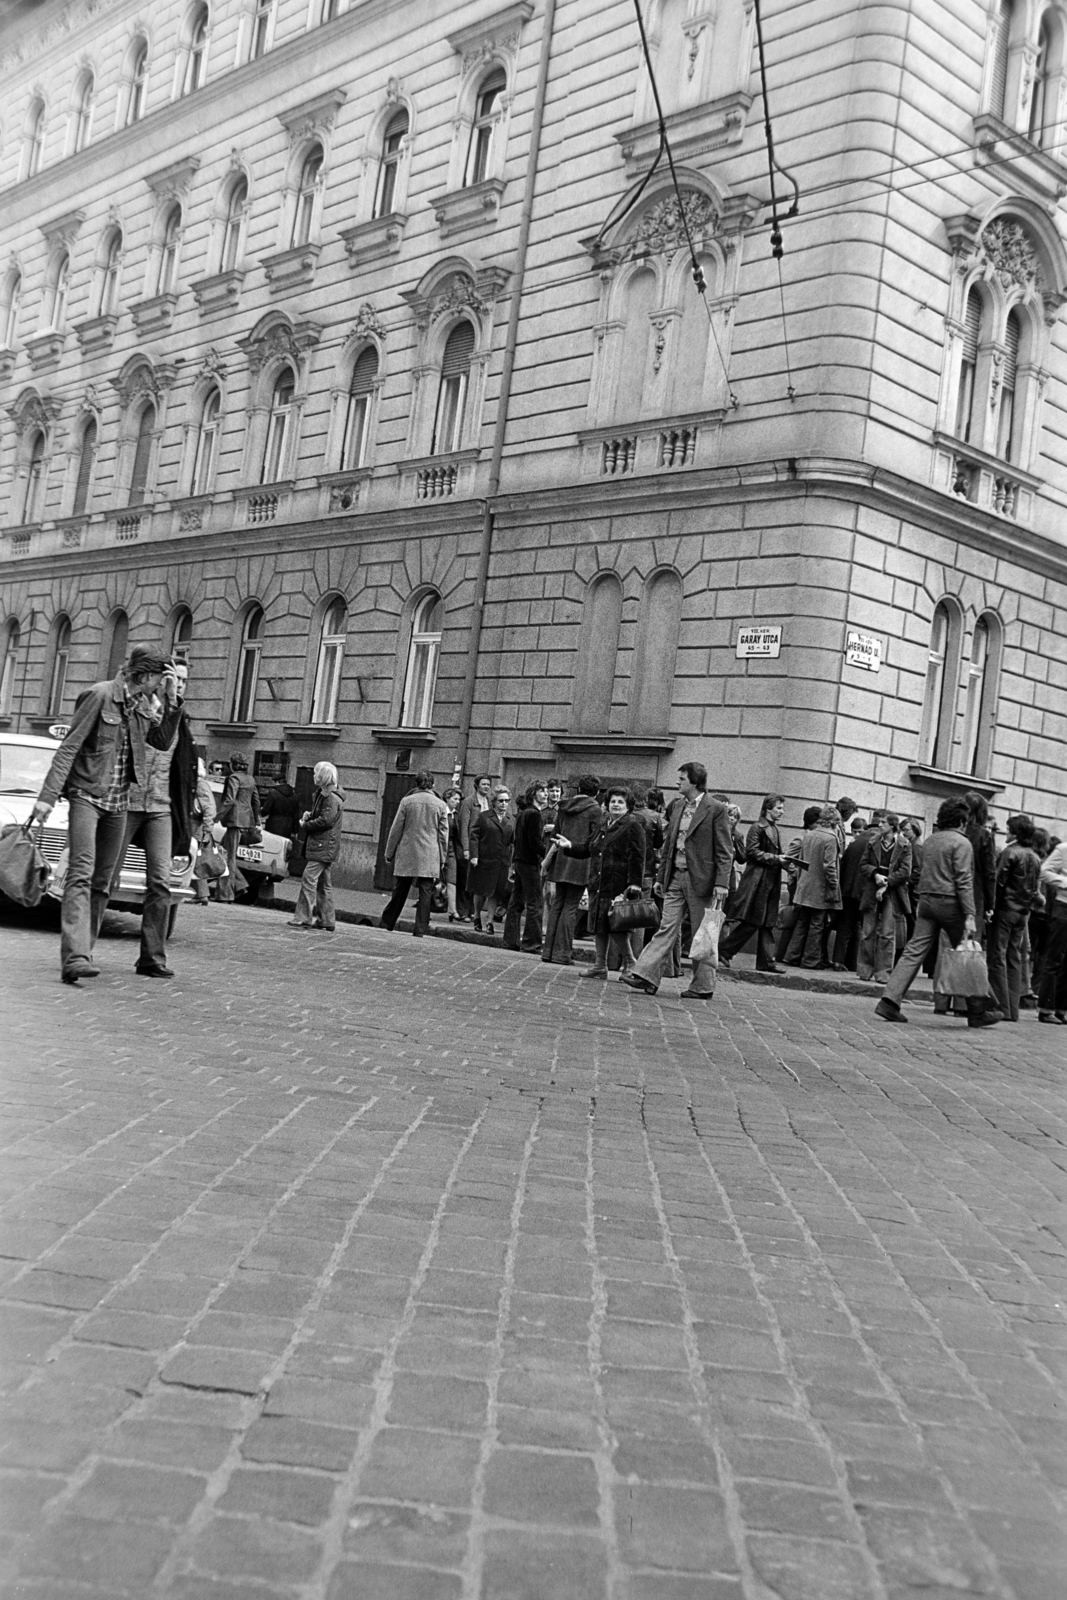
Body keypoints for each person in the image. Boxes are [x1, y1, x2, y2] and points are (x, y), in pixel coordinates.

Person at [31, 646, 167, 984]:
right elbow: (69, 747)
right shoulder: (99, 695)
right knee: (80, 873)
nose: (159, 685)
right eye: (159, 679)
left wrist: (164, 707)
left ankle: (83, 952)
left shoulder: (140, 705)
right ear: (145, 675)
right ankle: (75, 958)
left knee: (102, 883)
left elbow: (160, 741)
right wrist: (47, 797)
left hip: (119, 804)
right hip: (86, 797)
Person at [875, 796, 1001, 1027]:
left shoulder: (932, 840)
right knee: (966, 953)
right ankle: (978, 1009)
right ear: (962, 820)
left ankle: (889, 1000)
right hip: (951, 904)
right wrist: (971, 914)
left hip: (926, 901)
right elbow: (964, 880)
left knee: (914, 951)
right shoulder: (962, 843)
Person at [621, 762, 733, 1000]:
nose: (677, 782)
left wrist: (722, 883)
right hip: (675, 877)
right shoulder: (677, 806)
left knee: (702, 933)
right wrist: (662, 876)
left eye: (682, 779)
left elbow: (725, 851)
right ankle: (646, 976)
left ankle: (703, 986)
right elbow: (670, 843)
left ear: (694, 782)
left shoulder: (716, 809)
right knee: (666, 927)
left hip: (701, 880)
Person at [118, 657, 199, 978]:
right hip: (127, 802)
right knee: (106, 877)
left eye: (182, 680)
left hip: (161, 807)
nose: (177, 684)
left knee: (161, 884)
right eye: (173, 678)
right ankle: (83, 951)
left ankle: (152, 958)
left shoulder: (180, 718)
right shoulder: (138, 705)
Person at [718, 795, 789, 973]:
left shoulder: (774, 828)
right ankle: (724, 950)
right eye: (779, 808)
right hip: (758, 881)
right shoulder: (757, 827)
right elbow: (752, 852)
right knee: (755, 921)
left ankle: (766, 961)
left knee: (766, 921)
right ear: (768, 808)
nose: (782, 811)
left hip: (769, 880)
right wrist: (776, 858)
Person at [582, 787, 645, 979]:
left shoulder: (632, 824)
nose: (615, 805)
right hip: (598, 881)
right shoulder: (604, 823)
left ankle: (630, 962)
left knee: (616, 924)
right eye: (613, 801)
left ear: (628, 806)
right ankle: (600, 965)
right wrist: (568, 846)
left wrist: (634, 883)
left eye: (620, 802)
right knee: (598, 925)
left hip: (617, 882)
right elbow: (588, 848)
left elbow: (638, 855)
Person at [542, 775, 603, 965]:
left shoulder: (563, 807)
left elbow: (554, 835)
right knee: (571, 907)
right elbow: (595, 841)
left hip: (561, 860)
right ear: (598, 792)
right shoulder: (595, 810)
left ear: (578, 789)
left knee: (558, 905)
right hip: (581, 862)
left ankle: (548, 952)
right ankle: (562, 953)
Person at [381, 770, 449, 937]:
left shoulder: (407, 801)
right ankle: (420, 929)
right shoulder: (440, 805)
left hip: (408, 850)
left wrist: (389, 851)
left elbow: (396, 828)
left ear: (417, 784)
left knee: (401, 888)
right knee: (426, 891)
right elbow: (443, 834)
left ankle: (388, 921)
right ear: (433, 784)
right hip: (430, 852)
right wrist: (443, 857)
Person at [987, 814, 1041, 1022]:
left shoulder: (1010, 852)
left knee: (997, 956)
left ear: (1016, 833)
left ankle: (1001, 1006)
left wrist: (991, 907)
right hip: (1023, 912)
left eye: (1009, 829)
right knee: (1014, 957)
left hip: (1005, 909)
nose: (1006, 832)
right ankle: (1013, 1008)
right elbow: (1034, 888)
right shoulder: (1034, 856)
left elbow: (998, 882)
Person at [783, 805, 842, 970]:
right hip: (820, 887)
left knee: (803, 921)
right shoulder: (830, 838)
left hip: (805, 884)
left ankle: (792, 956)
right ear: (835, 821)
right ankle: (810, 960)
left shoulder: (809, 835)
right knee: (817, 924)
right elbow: (829, 866)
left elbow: (801, 860)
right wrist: (834, 885)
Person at [856, 813, 912, 985]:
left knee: (888, 933)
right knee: (868, 931)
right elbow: (863, 864)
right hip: (872, 889)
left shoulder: (904, 845)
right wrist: (875, 875)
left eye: (883, 823)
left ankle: (883, 973)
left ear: (893, 826)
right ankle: (864, 970)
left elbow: (905, 871)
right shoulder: (873, 842)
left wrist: (887, 882)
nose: (879, 825)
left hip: (892, 892)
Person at [287, 762, 343, 931]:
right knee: (323, 884)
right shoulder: (325, 795)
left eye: (316, 773)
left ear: (322, 777)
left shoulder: (330, 797)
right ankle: (326, 919)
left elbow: (326, 820)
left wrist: (306, 824)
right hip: (325, 845)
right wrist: (310, 815)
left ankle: (304, 917)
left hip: (322, 845)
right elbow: (324, 816)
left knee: (308, 879)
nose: (313, 776)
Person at [833, 810, 882, 970]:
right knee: (864, 928)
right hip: (865, 891)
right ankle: (856, 963)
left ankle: (838, 960)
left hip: (847, 890)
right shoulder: (878, 842)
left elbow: (844, 864)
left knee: (845, 926)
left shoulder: (856, 841)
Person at [502, 782, 546, 952]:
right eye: (542, 791)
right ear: (534, 794)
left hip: (520, 861)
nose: (546, 794)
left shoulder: (523, 813)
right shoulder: (534, 814)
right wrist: (547, 853)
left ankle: (510, 940)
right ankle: (531, 942)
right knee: (535, 903)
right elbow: (535, 842)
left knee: (516, 902)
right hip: (530, 862)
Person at [215, 752, 261, 904]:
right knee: (220, 853)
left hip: (234, 821)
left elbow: (229, 800)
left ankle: (226, 894)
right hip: (244, 821)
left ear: (232, 765)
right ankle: (240, 885)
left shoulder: (234, 778)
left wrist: (217, 817)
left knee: (227, 857)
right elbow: (256, 802)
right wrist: (256, 821)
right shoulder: (250, 779)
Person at [468, 787, 515, 935]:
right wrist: (474, 855)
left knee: (495, 892)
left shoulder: (511, 819)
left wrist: (512, 862)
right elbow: (474, 836)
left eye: (506, 801)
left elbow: (513, 841)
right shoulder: (484, 817)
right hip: (484, 860)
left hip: (501, 861)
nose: (504, 804)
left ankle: (489, 922)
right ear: (494, 802)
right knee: (481, 890)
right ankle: (476, 917)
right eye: (501, 801)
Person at [1037, 832, 1067, 1024]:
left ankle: (1061, 1008)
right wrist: (1064, 882)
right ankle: (1045, 1008)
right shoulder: (1064, 849)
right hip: (1063, 906)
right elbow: (1044, 871)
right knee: (1055, 958)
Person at [457, 775, 493, 915]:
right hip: (472, 844)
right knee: (466, 879)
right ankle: (464, 911)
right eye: (483, 784)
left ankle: (473, 911)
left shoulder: (490, 802)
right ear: (477, 785)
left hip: (485, 845)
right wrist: (466, 849)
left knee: (479, 880)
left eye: (488, 784)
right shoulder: (469, 802)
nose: (486, 787)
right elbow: (464, 826)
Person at [190, 758, 218, 906]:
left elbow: (209, 808)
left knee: (196, 861)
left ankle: (201, 894)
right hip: (194, 826)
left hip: (197, 826)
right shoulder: (197, 783)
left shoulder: (200, 784)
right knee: (195, 860)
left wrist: (207, 829)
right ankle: (200, 894)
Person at [441, 786, 466, 922]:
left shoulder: (456, 815)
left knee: (452, 879)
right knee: (433, 880)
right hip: (439, 847)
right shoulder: (441, 812)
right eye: (454, 799)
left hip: (451, 848)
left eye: (458, 799)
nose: (457, 801)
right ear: (447, 799)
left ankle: (452, 910)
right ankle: (426, 908)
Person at [263, 774, 300, 840]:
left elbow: (266, 810)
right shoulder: (294, 795)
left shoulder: (273, 793)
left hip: (273, 824)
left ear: (277, 782)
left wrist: (261, 811)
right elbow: (296, 815)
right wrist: (295, 831)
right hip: (288, 826)